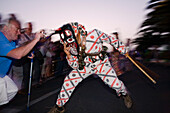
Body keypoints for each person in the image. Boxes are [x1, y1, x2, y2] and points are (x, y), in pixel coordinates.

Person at [48, 22, 133, 113]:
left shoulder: (94, 34)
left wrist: (123, 49)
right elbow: (75, 65)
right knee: (69, 80)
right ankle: (59, 106)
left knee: (115, 84)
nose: (72, 44)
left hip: (101, 64)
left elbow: (111, 39)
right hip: (85, 66)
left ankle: (124, 94)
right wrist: (68, 55)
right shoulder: (71, 47)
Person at [0, 18, 43, 106]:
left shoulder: (11, 42)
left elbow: (18, 51)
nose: (19, 33)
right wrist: (35, 40)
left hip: (2, 75)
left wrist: (26, 53)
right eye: (17, 29)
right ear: (5, 28)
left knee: (12, 90)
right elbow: (17, 54)